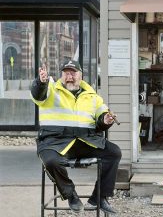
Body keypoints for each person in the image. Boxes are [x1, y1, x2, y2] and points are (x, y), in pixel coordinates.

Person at [31, 60, 121, 214]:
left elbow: (102, 116)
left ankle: (99, 197)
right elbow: (38, 95)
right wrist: (41, 82)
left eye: (73, 73)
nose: (69, 76)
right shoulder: (51, 89)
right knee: (51, 161)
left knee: (114, 153)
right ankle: (70, 194)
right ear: (61, 75)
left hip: (86, 141)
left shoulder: (93, 95)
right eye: (66, 73)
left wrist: (105, 120)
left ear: (81, 75)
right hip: (55, 142)